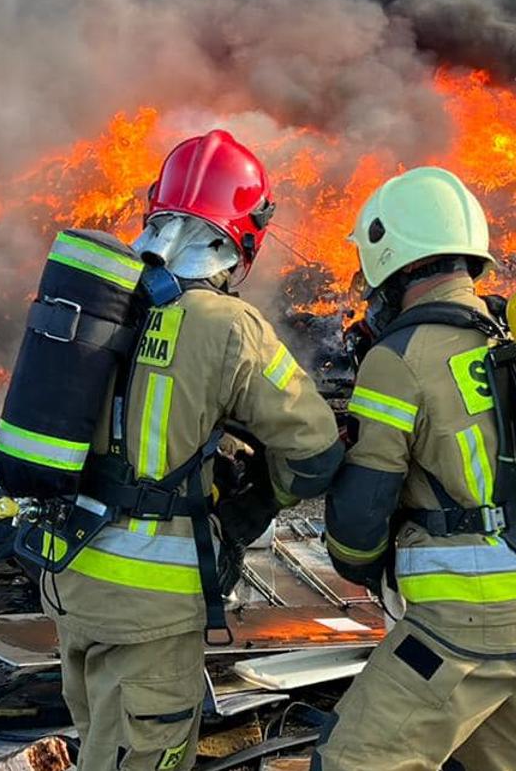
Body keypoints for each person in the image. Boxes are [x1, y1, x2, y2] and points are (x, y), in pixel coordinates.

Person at [48, 129, 343, 771]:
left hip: (69, 577)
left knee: (98, 737)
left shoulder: (100, 299)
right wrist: (250, 508)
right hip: (151, 599)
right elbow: (315, 448)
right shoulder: (226, 325)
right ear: (241, 236)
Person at [314, 166, 516, 771]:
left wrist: (362, 563)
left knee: (352, 761)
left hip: (469, 628)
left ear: (388, 264)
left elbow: (359, 521)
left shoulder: (399, 360)